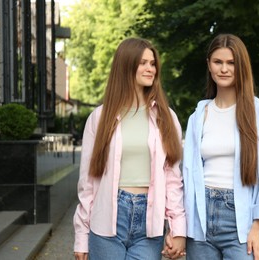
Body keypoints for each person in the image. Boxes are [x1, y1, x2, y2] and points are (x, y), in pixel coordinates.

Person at [73, 38, 186, 260]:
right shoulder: (100, 118)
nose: (150, 68)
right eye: (143, 62)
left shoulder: (166, 117)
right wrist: (81, 236)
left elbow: (173, 178)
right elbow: (87, 183)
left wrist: (177, 227)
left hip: (149, 224)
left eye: (152, 64)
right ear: (126, 65)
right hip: (107, 221)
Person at [182, 34, 259, 260]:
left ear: (241, 66)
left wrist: (257, 225)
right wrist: (180, 226)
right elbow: (187, 174)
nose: (224, 69)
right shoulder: (198, 116)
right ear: (209, 65)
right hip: (200, 220)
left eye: (231, 63)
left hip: (241, 222)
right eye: (218, 62)